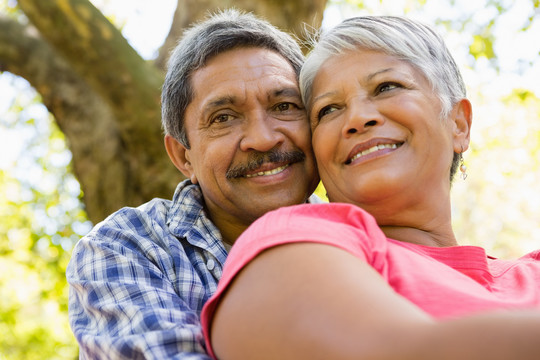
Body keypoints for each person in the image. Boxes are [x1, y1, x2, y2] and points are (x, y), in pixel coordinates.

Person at [201, 15, 540, 360]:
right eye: (329, 109)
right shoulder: (292, 239)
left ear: (459, 124)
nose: (358, 118)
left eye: (386, 87)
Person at [66, 9, 320, 359]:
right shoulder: (126, 246)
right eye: (224, 118)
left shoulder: (373, 233)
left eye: (285, 106)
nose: (262, 139)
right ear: (184, 156)